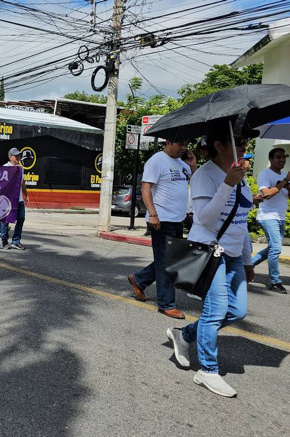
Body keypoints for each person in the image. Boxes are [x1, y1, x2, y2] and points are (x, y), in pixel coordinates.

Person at [167, 131, 254, 398]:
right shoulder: (205, 176)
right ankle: (208, 369)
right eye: (239, 142)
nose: (244, 146)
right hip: (212, 251)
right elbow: (204, 219)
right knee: (216, 311)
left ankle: (184, 335)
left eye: (245, 142)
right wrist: (227, 184)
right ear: (219, 144)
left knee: (237, 311)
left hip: (234, 254)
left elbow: (241, 221)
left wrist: (248, 259)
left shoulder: (238, 173)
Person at [127, 139, 196, 319]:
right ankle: (167, 304)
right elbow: (146, 188)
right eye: (180, 144)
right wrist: (153, 214)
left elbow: (194, 184)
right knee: (167, 262)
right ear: (168, 142)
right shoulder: (156, 160)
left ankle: (139, 279)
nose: (184, 147)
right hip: (161, 219)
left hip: (177, 219)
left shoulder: (183, 164)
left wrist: (193, 166)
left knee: (170, 259)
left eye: (185, 145)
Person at [252, 147, 289, 294]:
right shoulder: (265, 174)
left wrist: (288, 183)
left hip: (280, 216)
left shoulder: (286, 175)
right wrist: (284, 181)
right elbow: (266, 194)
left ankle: (246, 265)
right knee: (276, 248)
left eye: (284, 157)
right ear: (271, 159)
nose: (282, 160)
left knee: (272, 248)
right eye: (278, 157)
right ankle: (274, 281)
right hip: (268, 216)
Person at [0, 148, 29, 249]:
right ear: (10, 156)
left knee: (21, 218)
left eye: (18, 156)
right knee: (5, 220)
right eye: (15, 156)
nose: (17, 158)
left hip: (19, 199)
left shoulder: (21, 168)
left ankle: (16, 241)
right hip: (8, 199)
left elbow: (22, 183)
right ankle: (4, 241)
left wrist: (26, 195)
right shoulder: (5, 167)